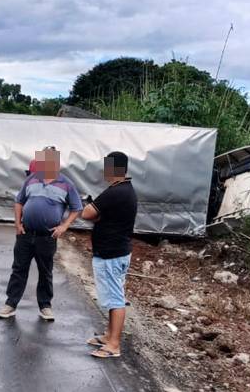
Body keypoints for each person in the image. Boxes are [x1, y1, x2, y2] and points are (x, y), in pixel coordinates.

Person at [0, 146, 83, 321]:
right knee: (19, 269)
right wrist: (17, 224)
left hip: (47, 237)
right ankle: (10, 304)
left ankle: (45, 306)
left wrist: (64, 226)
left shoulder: (66, 183)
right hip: (26, 234)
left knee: (45, 272)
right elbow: (19, 202)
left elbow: (77, 208)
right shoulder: (32, 179)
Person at [81, 151, 137, 358]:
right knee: (115, 297)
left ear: (115, 168)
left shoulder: (116, 191)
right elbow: (102, 217)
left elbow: (87, 213)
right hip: (117, 251)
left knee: (115, 299)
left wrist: (88, 205)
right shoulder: (125, 190)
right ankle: (109, 336)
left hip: (111, 254)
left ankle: (113, 344)